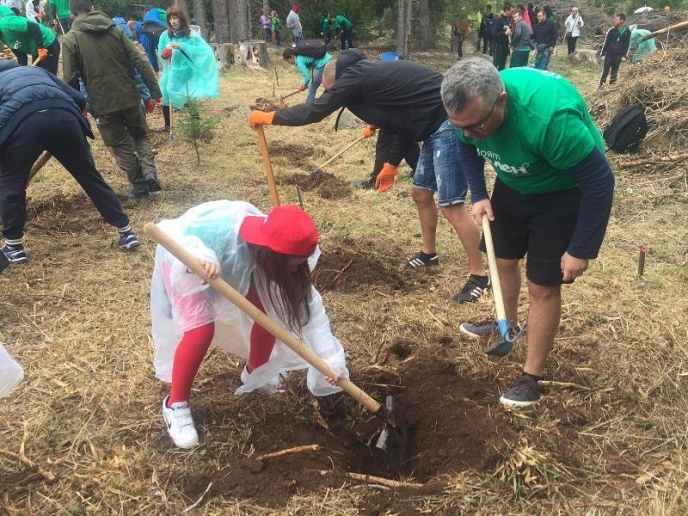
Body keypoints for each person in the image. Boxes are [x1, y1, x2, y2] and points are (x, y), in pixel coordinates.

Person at [248, 50, 490, 304]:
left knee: (451, 205)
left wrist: (272, 117)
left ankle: (479, 276)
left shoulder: (355, 76)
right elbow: (401, 121)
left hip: (448, 124)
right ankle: (429, 254)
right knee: (420, 193)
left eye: (334, 91)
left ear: (338, 81)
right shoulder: (369, 79)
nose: (335, 97)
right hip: (430, 127)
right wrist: (391, 165)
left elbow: (315, 112)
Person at [441, 59, 614, 408]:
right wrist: (481, 193)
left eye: (476, 126)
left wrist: (582, 247)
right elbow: (464, 146)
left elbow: (600, 181)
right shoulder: (468, 112)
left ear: (501, 100)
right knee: (501, 259)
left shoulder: (549, 120)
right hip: (513, 184)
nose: (469, 133)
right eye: (461, 125)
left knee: (542, 285)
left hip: (561, 191)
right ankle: (506, 322)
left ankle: (532, 376)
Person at [151, 201, 349, 449]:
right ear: (275, 257)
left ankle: (256, 372)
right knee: (200, 330)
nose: (298, 269)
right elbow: (182, 235)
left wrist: (329, 357)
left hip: (237, 265)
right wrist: (202, 258)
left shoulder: (277, 251)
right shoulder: (224, 232)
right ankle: (175, 404)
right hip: (188, 265)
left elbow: (310, 311)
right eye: (295, 263)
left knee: (267, 314)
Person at [0, 61, 141, 265]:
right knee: (90, 177)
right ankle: (126, 231)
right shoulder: (36, 70)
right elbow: (78, 97)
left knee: (11, 184)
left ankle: (14, 247)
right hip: (65, 117)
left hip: (22, 124)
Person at [62, 0, 163, 200]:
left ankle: (140, 187)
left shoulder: (71, 39)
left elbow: (70, 78)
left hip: (102, 103)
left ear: (72, 15)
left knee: (121, 145)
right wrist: (154, 91)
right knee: (140, 136)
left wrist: (77, 107)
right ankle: (150, 173)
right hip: (129, 96)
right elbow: (140, 61)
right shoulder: (115, 30)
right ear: (92, 8)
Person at [357, 52, 420, 191]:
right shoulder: (402, 77)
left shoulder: (395, 82)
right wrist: (374, 124)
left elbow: (391, 108)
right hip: (407, 117)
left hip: (403, 118)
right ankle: (421, 170)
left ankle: (375, 180)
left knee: (385, 144)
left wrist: (378, 123)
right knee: (408, 144)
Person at [156, 5, 219, 133]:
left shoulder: (190, 35)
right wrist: (165, 54)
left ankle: (195, 125)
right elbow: (161, 51)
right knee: (166, 96)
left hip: (185, 72)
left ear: (181, 19)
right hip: (170, 71)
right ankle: (168, 126)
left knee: (187, 97)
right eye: (170, 19)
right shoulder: (165, 35)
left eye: (175, 18)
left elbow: (202, 51)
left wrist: (182, 47)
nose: (173, 21)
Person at [0, 5, 60, 75]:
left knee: (48, 75)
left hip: (48, 43)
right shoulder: (3, 38)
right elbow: (21, 56)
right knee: (36, 74)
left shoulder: (8, 23)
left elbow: (33, 27)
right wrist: (22, 71)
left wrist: (40, 48)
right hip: (35, 50)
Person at [127, 7, 166, 74]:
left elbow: (151, 55)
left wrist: (156, 70)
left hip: (166, 46)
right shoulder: (148, 19)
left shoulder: (143, 35)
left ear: (133, 29)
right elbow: (155, 11)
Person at [599, 14, 631, 87]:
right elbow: (606, 43)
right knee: (605, 72)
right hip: (609, 54)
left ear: (622, 21)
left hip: (618, 55)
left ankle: (611, 87)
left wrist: (624, 56)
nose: (615, 21)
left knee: (614, 72)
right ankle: (601, 86)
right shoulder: (612, 31)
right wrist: (603, 54)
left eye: (617, 19)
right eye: (615, 19)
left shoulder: (627, 31)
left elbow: (627, 44)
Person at [493, 3, 513, 71]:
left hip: (506, 45)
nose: (512, 13)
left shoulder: (508, 19)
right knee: (496, 63)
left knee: (503, 63)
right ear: (506, 10)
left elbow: (508, 30)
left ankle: (500, 78)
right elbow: (493, 33)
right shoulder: (498, 19)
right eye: (511, 11)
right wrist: (504, 33)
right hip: (498, 45)